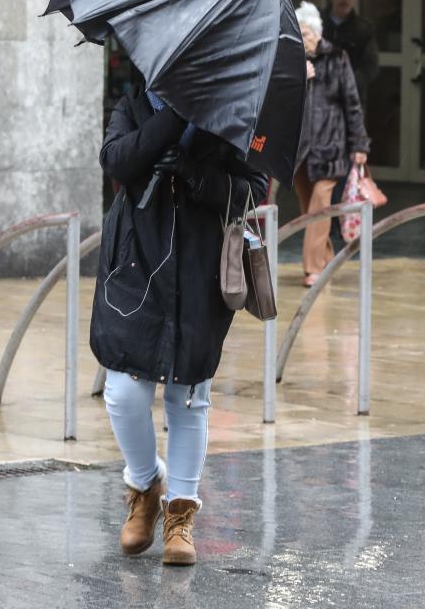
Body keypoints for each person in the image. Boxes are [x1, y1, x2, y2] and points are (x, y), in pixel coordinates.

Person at [89, 84, 267, 566]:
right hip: (135, 268)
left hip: (198, 270)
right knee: (124, 392)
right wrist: (171, 118)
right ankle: (145, 484)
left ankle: (180, 515)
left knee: (188, 395)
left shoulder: (233, 105)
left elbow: (254, 188)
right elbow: (116, 160)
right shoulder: (133, 104)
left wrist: (196, 174)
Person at [294, 1, 370, 287]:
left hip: (330, 147)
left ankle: (312, 269)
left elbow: (352, 104)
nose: (303, 40)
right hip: (299, 150)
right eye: (298, 34)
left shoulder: (337, 58)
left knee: (319, 208)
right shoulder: (290, 62)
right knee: (309, 210)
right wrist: (297, 76)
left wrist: (359, 144)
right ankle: (325, 258)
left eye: (306, 34)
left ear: (317, 33)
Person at [321, 0, 379, 112]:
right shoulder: (317, 24)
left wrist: (347, 82)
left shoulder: (364, 29)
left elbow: (370, 67)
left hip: (350, 99)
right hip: (319, 96)